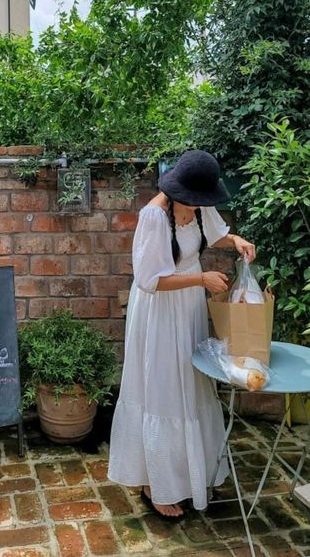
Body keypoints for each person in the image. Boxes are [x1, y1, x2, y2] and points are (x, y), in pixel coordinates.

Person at [107, 149, 256, 519]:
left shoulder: (198, 204)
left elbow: (214, 233)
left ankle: (188, 472)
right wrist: (201, 278)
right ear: (178, 192)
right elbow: (150, 279)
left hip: (188, 306)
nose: (199, 206)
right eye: (195, 201)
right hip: (159, 311)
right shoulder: (153, 217)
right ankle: (153, 482)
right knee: (160, 388)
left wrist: (234, 240)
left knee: (190, 385)